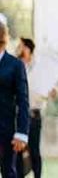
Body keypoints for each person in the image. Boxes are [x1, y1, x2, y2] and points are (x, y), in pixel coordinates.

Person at [15, 38, 56, 178]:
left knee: (34, 151)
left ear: (27, 49)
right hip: (18, 115)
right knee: (18, 151)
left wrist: (52, 92)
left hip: (33, 115)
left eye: (20, 46)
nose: (17, 49)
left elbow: (51, 90)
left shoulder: (39, 69)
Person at [0, 14, 29, 178]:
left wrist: (22, 132)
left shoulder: (15, 65)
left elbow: (23, 101)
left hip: (7, 133)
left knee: (9, 173)